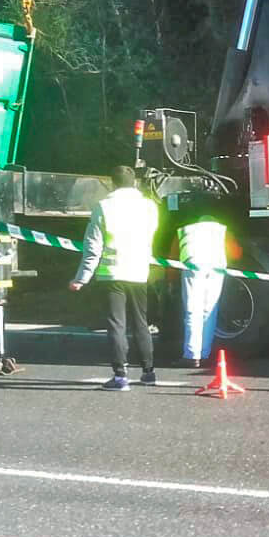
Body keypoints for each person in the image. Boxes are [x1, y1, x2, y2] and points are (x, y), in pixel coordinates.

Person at [70, 166, 160, 390]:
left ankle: (120, 377)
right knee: (142, 322)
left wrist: (82, 278)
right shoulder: (149, 207)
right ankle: (149, 373)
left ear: (112, 183)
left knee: (117, 325)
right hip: (139, 272)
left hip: (112, 274)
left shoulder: (103, 207)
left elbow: (93, 246)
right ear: (135, 183)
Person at [173, 209, 238, 369]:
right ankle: (204, 353)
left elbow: (173, 256)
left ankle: (191, 355)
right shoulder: (221, 230)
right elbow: (236, 253)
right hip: (217, 266)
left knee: (192, 310)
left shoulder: (187, 229)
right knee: (209, 311)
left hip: (193, 264)